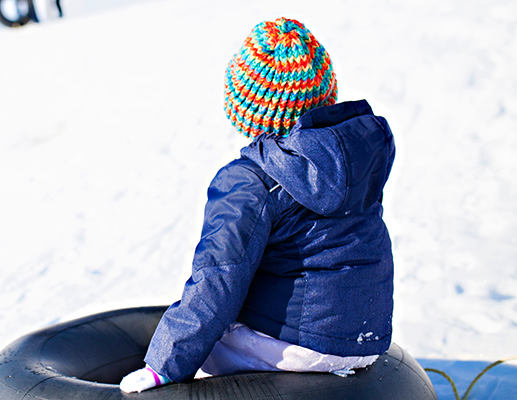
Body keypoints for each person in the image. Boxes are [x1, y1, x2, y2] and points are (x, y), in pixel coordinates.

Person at [120, 17, 396, 393]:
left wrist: (164, 366)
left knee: (209, 352)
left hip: (298, 344)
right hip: (364, 339)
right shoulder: (356, 156)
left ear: (246, 107)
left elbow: (219, 276)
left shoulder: (248, 182)